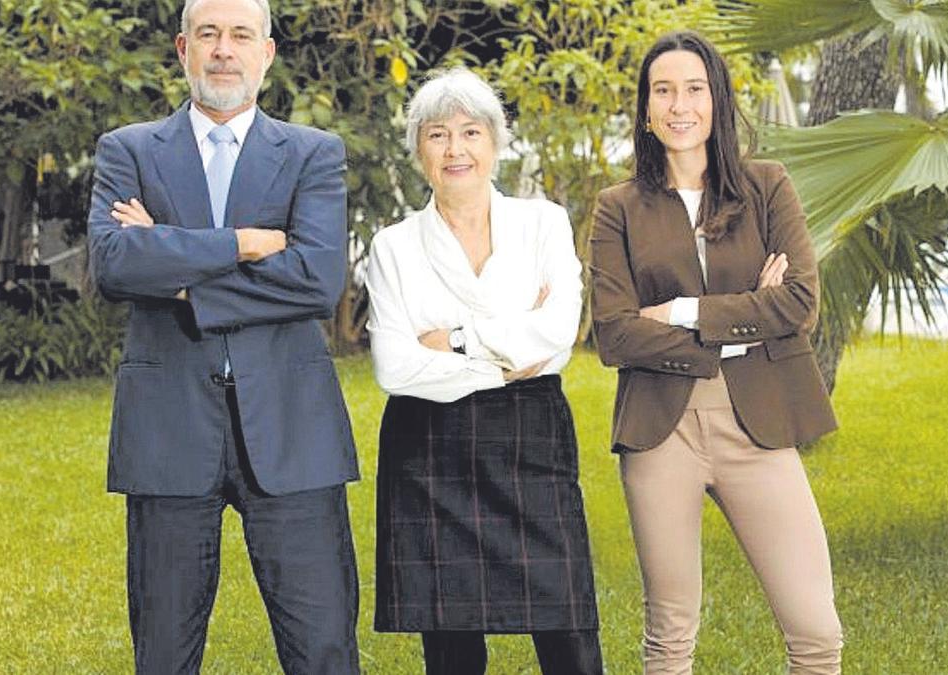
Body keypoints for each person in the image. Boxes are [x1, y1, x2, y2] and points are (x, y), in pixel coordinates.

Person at [87, 0, 360, 672]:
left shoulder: (312, 154)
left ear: (266, 54)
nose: (223, 50)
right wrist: (242, 244)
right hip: (167, 430)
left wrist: (179, 273)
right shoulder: (127, 150)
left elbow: (317, 281)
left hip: (294, 434)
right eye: (208, 34)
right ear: (183, 49)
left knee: (324, 647)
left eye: (241, 35)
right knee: (164, 652)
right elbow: (116, 264)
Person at [589, 31, 843, 674]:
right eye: (663, 90)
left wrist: (680, 312)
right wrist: (744, 324)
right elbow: (614, 334)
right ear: (646, 109)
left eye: (695, 89)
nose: (680, 105)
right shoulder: (617, 207)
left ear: (717, 100)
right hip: (660, 432)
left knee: (816, 635)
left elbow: (799, 304)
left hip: (759, 425)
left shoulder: (767, 186)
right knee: (669, 640)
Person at [366, 68, 603, 675]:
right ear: (420, 149)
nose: (455, 149)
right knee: (450, 639)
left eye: (471, 132)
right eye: (438, 134)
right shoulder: (393, 245)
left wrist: (457, 342)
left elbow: (556, 336)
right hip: (428, 446)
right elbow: (396, 367)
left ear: (495, 143)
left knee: (566, 622)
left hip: (533, 435)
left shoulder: (542, 222)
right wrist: (502, 364)